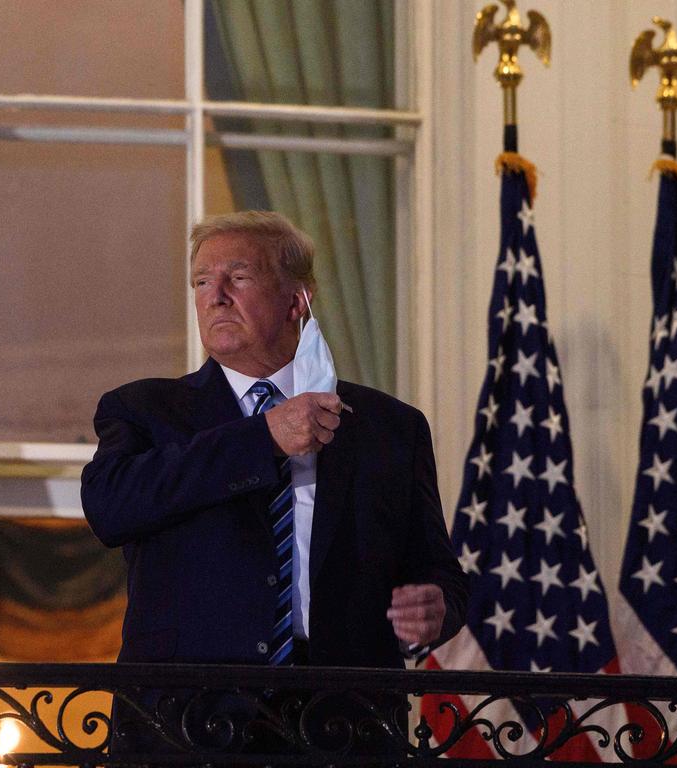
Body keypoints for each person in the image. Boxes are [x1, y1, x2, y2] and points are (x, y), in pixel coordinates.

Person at [81, 211, 467, 756]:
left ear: (297, 301)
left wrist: (435, 610)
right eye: (201, 281)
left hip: (344, 726)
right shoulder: (144, 409)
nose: (214, 296)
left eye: (237, 277)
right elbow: (109, 508)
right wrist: (263, 436)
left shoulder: (389, 428)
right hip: (186, 726)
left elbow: (438, 571)